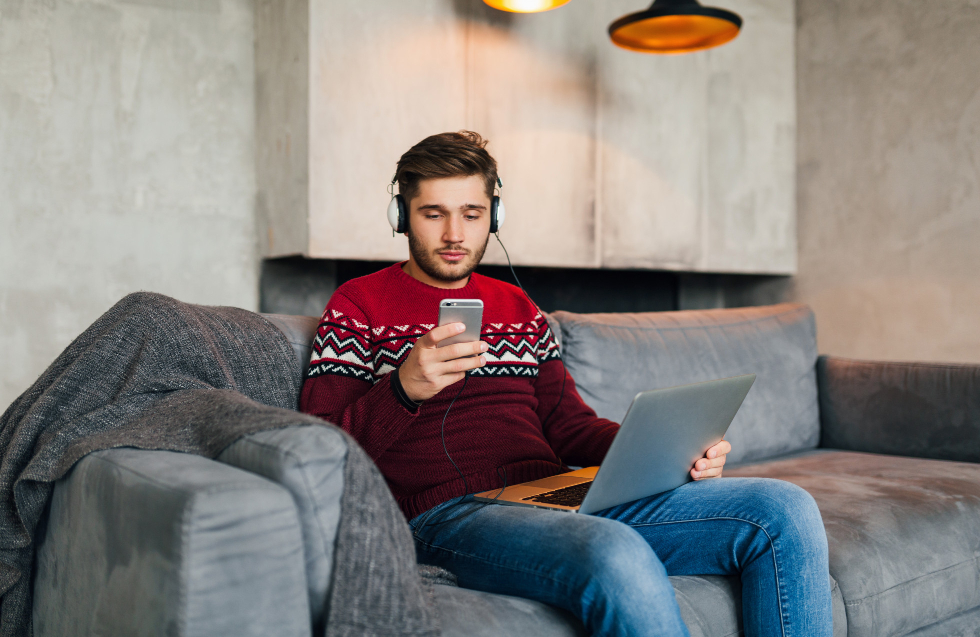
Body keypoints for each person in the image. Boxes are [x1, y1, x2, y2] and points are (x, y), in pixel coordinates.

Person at [299, 131, 832, 637]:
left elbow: (567, 424)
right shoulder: (358, 306)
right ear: (401, 216)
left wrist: (667, 450)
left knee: (784, 510)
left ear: (495, 217)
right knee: (613, 551)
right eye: (433, 214)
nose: (455, 234)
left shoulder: (519, 308)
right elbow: (320, 449)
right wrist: (402, 389)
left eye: (472, 214)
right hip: (450, 516)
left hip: (558, 496)